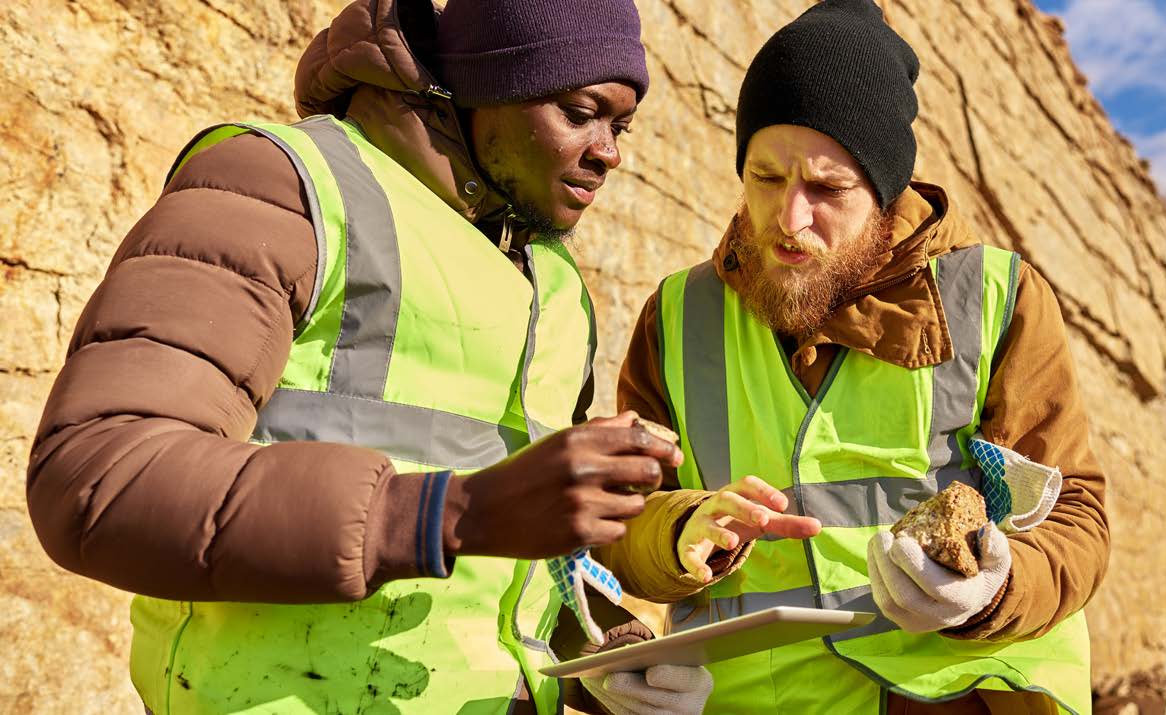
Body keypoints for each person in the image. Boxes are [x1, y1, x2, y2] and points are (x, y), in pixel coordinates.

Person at [25, 0, 761, 712]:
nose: (610, 153)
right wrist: (449, 512)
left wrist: (609, 652)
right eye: (580, 112)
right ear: (487, 85)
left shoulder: (555, 283)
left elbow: (512, 568)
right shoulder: (282, 184)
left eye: (622, 125)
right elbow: (97, 474)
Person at [601, 1, 1109, 712]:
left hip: (956, 695)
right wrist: (682, 529)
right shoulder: (678, 316)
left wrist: (996, 586)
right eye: (765, 178)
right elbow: (617, 519)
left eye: (827, 188)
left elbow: (1073, 517)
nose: (789, 218)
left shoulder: (998, 298)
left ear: (885, 190)